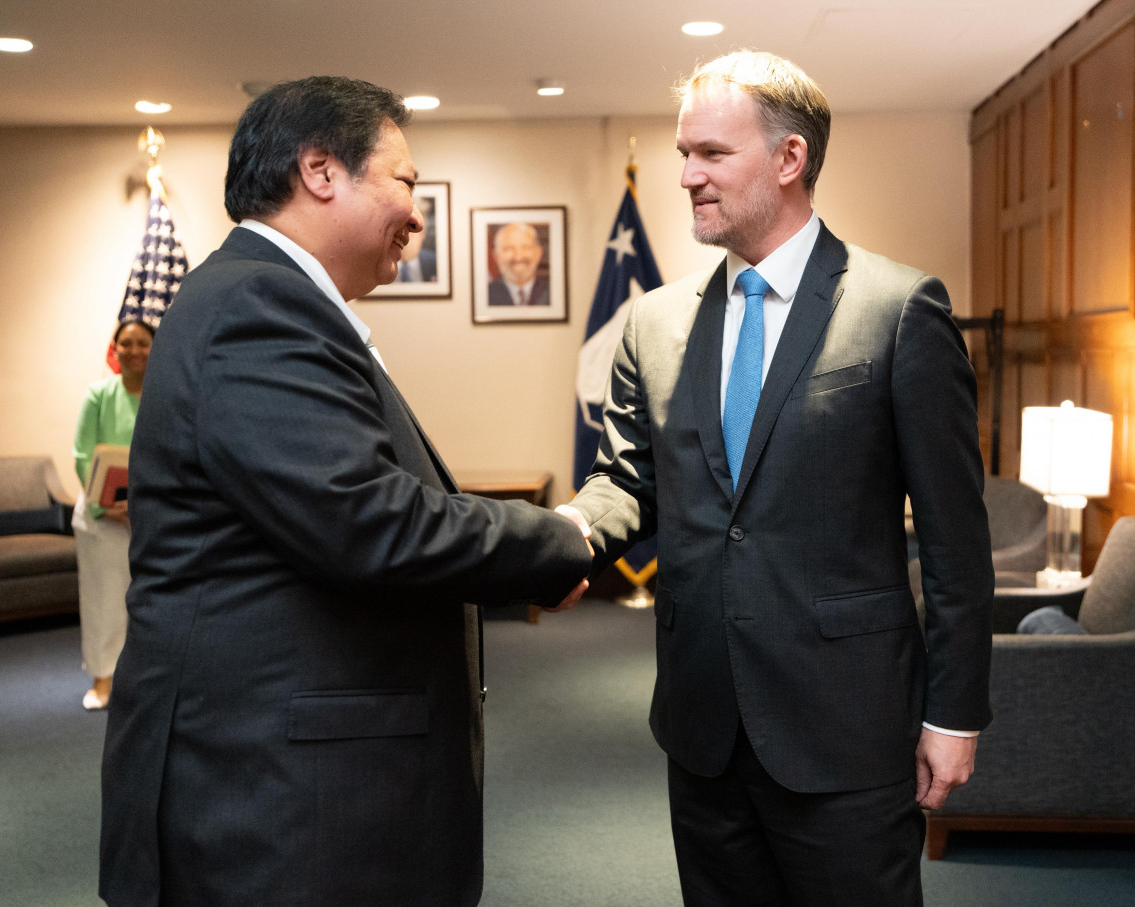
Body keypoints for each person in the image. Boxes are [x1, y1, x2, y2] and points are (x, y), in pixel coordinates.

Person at [98, 76, 591, 907]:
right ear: (322, 171)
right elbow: (371, 521)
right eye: (406, 183)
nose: (418, 215)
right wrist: (563, 538)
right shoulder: (258, 305)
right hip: (274, 807)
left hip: (288, 786)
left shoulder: (264, 299)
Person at [561, 51, 993, 906]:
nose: (687, 176)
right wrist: (557, 538)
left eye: (712, 154)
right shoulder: (650, 323)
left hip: (846, 729)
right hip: (703, 725)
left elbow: (955, 539)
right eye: (685, 153)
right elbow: (624, 481)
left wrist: (954, 714)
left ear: (790, 159)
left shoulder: (901, 309)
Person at [71, 319, 153, 711]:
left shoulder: (163, 395)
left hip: (151, 514)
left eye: (143, 343)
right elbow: (83, 455)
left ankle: (145, 679)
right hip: (101, 518)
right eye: (127, 343)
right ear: (115, 348)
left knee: (152, 600)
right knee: (105, 600)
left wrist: (142, 505)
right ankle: (103, 679)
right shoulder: (98, 394)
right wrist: (108, 506)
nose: (134, 350)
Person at [487, 222, 549, 305]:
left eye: (525, 247)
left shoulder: (555, 291)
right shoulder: (485, 295)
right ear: (496, 256)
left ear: (538, 253)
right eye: (509, 249)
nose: (518, 257)